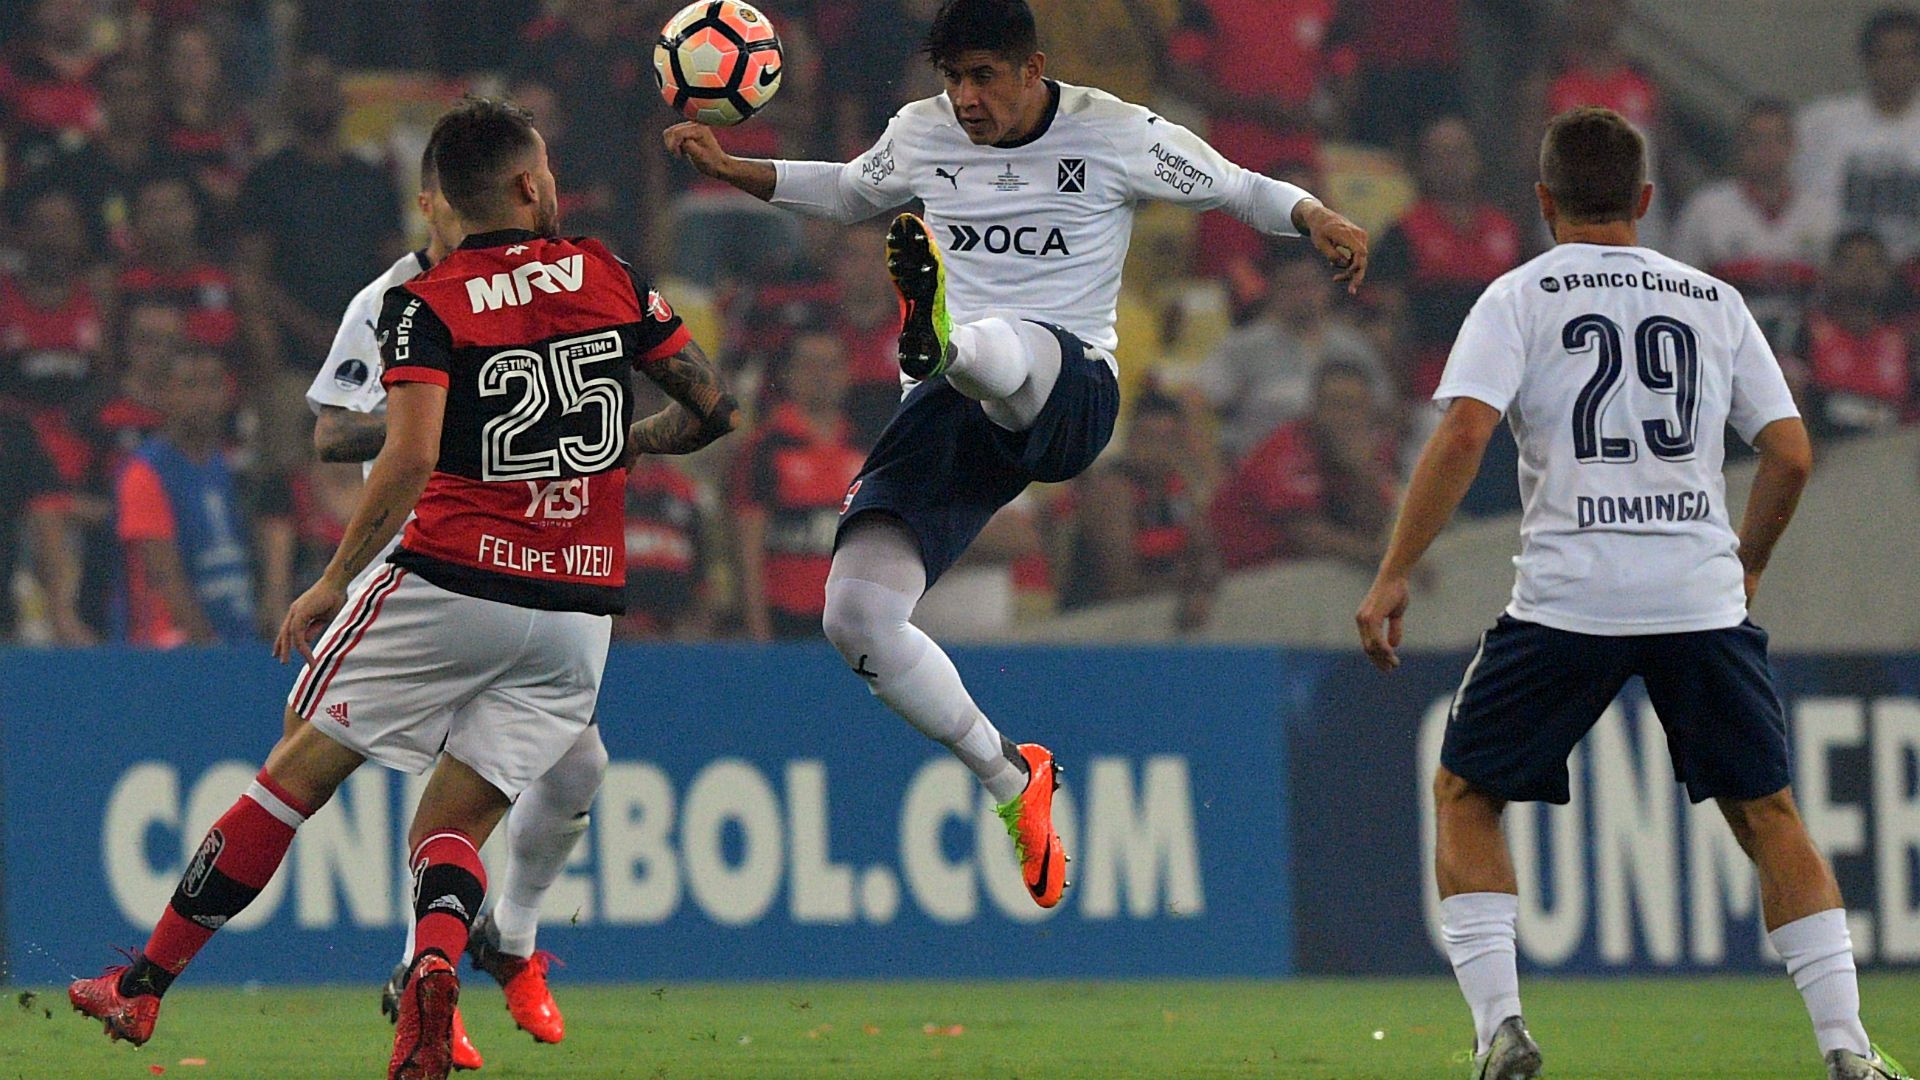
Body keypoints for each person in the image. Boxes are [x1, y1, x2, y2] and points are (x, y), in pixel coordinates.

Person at [70, 98, 737, 1080]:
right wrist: (619, 445)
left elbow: (410, 455)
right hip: (578, 608)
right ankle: (433, 969)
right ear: (527, 184)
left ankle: (143, 986)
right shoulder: (609, 273)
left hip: (452, 579)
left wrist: (334, 579)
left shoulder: (428, 302)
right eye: (547, 170)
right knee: (451, 829)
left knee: (294, 775)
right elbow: (714, 409)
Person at [665, 0, 1367, 908]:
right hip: (949, 410)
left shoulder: (1113, 131)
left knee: (1007, 340)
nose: (965, 97)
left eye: (984, 77)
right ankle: (1008, 775)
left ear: (1033, 69)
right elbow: (844, 191)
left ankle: (946, 338)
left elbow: (1234, 187)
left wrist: (1314, 213)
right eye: (953, 79)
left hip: (1070, 392)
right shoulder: (922, 132)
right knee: (856, 615)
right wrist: (735, 170)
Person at [1355, 106, 1910, 1080]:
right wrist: (1747, 562)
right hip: (1698, 594)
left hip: (1569, 596)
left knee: (1467, 793)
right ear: (1646, 200)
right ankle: (1847, 1049)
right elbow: (1789, 453)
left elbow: (1464, 433)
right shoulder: (1713, 299)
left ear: (1544, 201)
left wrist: (1395, 568)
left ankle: (1501, 1031)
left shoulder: (1518, 296)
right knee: (1769, 815)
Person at [306, 135, 614, 1071]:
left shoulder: (544, 284)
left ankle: (498, 943)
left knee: (578, 768)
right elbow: (330, 434)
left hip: (520, 563)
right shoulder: (391, 300)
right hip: (424, 566)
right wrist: (434, 418)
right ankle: (437, 967)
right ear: (433, 204)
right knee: (346, 771)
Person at [728, 329, 868, 641]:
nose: (822, 376)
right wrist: (760, 638)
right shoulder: (764, 449)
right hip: (786, 624)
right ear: (787, 374)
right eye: (809, 365)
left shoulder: (865, 446)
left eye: (832, 365)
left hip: (851, 627)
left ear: (848, 372)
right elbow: (748, 552)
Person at [114, 347, 258, 647]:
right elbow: (164, 575)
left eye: (212, 385)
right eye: (190, 386)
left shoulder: (228, 468)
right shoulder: (145, 472)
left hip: (239, 637)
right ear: (164, 394)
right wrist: (209, 646)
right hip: (172, 647)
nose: (203, 398)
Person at [1671, 99, 1834, 356]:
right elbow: (1677, 289)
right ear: (1739, 145)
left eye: (1776, 140)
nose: (1766, 150)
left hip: (1804, 354)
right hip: (1724, 349)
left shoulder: (1822, 214)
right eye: (1755, 140)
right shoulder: (1706, 209)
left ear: (1793, 146)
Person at [1209, 360, 1395, 571]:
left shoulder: (1370, 450)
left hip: (1302, 572)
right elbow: (1308, 537)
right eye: (1334, 404)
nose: (1344, 417)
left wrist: (1362, 475)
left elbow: (1374, 525)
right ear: (1314, 407)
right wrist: (1388, 560)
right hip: (1247, 572)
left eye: (1353, 406)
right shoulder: (1289, 448)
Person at [1795, 7, 1920, 268]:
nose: (1895, 66)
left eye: (1906, 55)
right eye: (1885, 55)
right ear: (1867, 60)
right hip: (1834, 269)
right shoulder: (1821, 122)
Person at [1799, 230, 1917, 438]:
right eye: (1851, 262)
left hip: (1890, 450)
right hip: (1823, 448)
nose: (1863, 271)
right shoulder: (1803, 334)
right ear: (1828, 271)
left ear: (1889, 273)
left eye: (1873, 263)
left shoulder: (1907, 341)